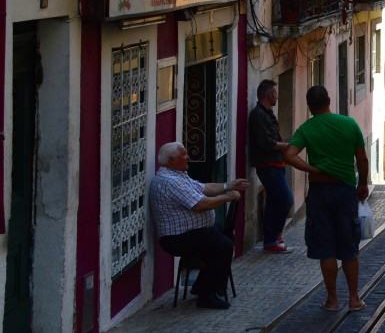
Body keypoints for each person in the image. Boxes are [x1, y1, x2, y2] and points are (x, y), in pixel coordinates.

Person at [284, 85, 371, 313]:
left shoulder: (306, 128)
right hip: (345, 191)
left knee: (326, 249)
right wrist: (363, 183)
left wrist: (311, 169)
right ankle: (354, 299)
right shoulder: (349, 124)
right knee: (349, 248)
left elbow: (289, 154)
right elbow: (362, 158)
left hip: (319, 193)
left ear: (309, 106)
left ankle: (332, 300)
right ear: (329, 100)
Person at [149, 142, 249, 310]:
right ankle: (207, 296)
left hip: (191, 232)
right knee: (223, 246)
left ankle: (203, 286)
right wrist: (228, 197)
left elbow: (203, 188)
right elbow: (200, 204)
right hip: (177, 238)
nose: (188, 157)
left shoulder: (178, 175)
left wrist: (229, 185)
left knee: (223, 237)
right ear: (172, 160)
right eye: (184, 154)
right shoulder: (170, 181)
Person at [248, 79, 294, 253]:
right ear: (268, 95)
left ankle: (271, 241)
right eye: (275, 93)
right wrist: (288, 145)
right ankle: (274, 236)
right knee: (285, 199)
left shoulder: (268, 113)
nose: (277, 96)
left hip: (276, 164)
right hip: (267, 166)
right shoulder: (257, 115)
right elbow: (266, 143)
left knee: (274, 202)